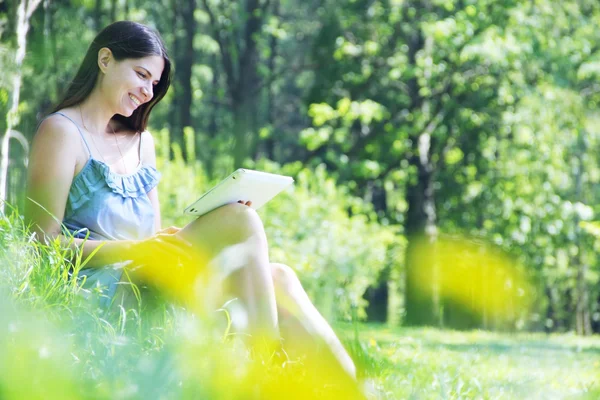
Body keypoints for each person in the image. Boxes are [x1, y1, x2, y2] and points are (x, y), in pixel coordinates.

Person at [24, 21, 357, 383]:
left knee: (281, 278)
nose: (148, 91)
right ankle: (264, 371)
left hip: (146, 277)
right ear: (105, 59)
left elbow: (153, 236)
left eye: (154, 83)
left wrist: (182, 239)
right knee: (239, 221)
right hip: (101, 294)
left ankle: (351, 387)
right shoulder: (61, 132)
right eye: (141, 74)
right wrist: (139, 249)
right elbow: (41, 243)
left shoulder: (141, 142)